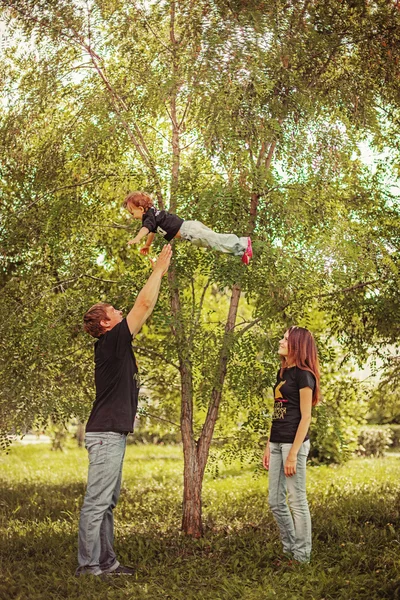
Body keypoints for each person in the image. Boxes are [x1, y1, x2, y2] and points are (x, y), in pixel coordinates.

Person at [76, 244, 172, 577]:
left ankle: (107, 563)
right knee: (96, 502)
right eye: (115, 310)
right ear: (106, 322)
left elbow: (145, 309)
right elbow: (142, 304)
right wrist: (158, 269)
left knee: (107, 503)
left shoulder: (113, 343)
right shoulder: (111, 340)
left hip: (111, 434)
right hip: (105, 436)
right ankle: (88, 566)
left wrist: (160, 272)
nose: (121, 312)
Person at [263, 326, 320, 564]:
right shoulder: (283, 372)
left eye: (285, 338)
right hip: (277, 441)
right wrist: (268, 444)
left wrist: (293, 454)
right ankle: (289, 551)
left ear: (297, 344)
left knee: (297, 502)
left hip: (293, 446)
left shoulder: (304, 375)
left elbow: (305, 417)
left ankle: (302, 556)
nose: (281, 340)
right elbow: (278, 411)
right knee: (275, 501)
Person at [123, 190, 253, 265]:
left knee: (215, 240)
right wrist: (147, 245)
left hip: (189, 231)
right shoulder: (152, 216)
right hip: (190, 230)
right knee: (214, 243)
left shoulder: (148, 217)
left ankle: (242, 243)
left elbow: (146, 229)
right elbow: (151, 231)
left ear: (141, 209)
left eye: (132, 212)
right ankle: (241, 250)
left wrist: (137, 238)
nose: (133, 216)